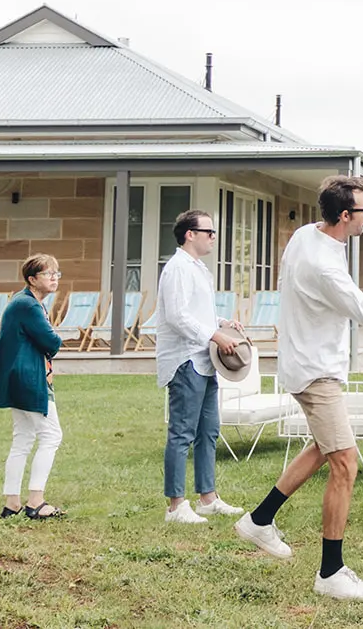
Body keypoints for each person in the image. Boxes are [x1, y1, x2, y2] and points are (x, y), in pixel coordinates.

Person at [234, 175, 363, 602]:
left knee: (325, 448)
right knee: (345, 463)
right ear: (344, 215)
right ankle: (330, 572)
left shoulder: (307, 234)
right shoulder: (323, 264)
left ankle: (260, 520)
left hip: (306, 361)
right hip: (315, 371)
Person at [155, 209, 246, 524]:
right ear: (189, 234)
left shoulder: (198, 268)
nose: (214, 237)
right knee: (182, 432)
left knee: (208, 431)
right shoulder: (177, 268)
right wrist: (215, 336)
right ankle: (175, 506)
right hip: (185, 361)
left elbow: (198, 312)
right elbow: (177, 316)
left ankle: (208, 499)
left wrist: (222, 323)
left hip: (205, 360)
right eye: (209, 232)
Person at [0, 255, 65, 520]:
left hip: (17, 378)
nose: (54, 278)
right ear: (32, 279)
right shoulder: (28, 305)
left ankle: (12, 502)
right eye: (48, 273)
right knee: (51, 436)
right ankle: (36, 501)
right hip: (29, 379)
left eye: (57, 273)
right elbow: (51, 341)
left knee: (23, 439)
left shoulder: (22, 301)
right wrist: (55, 338)